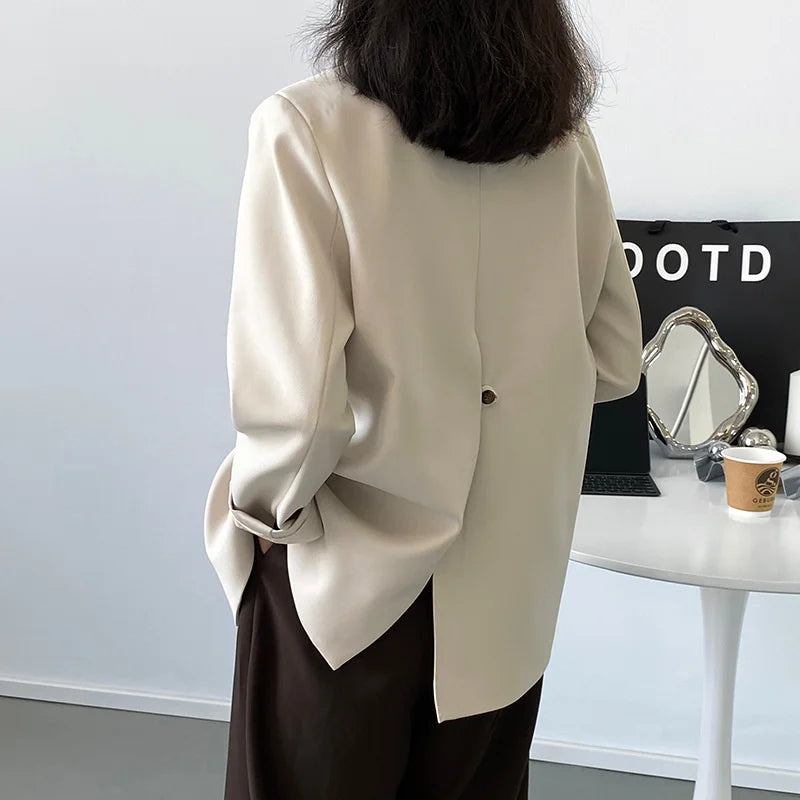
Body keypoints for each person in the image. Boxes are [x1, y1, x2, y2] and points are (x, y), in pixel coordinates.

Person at [203, 0, 643, 797]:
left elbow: (297, 412)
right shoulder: (564, 140)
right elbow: (614, 360)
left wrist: (265, 521)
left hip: (350, 579)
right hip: (507, 595)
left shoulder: (305, 127)